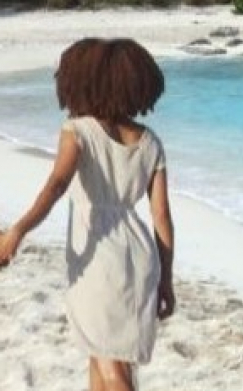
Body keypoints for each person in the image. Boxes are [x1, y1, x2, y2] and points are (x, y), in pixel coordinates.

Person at [0, 38, 175, 391]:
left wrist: (18, 229)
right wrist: (166, 279)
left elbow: (57, 184)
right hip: (141, 257)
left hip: (98, 258)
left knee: (112, 368)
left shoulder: (77, 131)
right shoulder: (150, 142)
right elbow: (161, 219)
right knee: (103, 356)